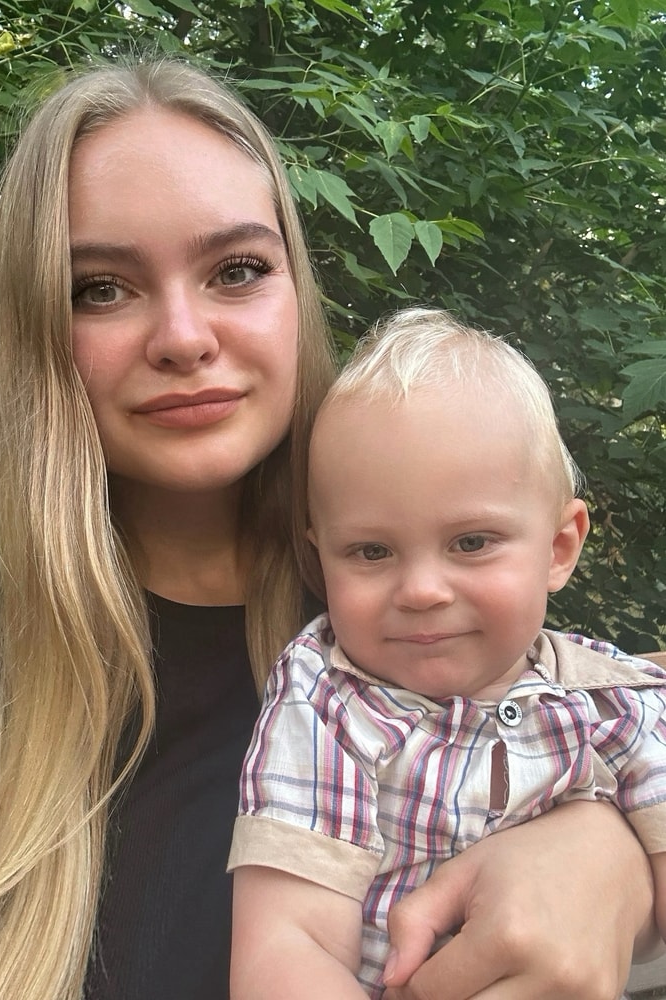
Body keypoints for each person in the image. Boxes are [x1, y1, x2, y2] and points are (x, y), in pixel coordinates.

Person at [0, 60, 657, 1000]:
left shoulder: (436, 627)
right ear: (35, 328)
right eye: (101, 289)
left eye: (236, 270)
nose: (183, 337)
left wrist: (611, 861)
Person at [229, 308, 666, 1000]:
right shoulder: (327, 702)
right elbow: (288, 944)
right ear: (320, 559)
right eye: (371, 551)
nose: (422, 591)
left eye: (471, 543)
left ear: (559, 548)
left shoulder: (620, 704)